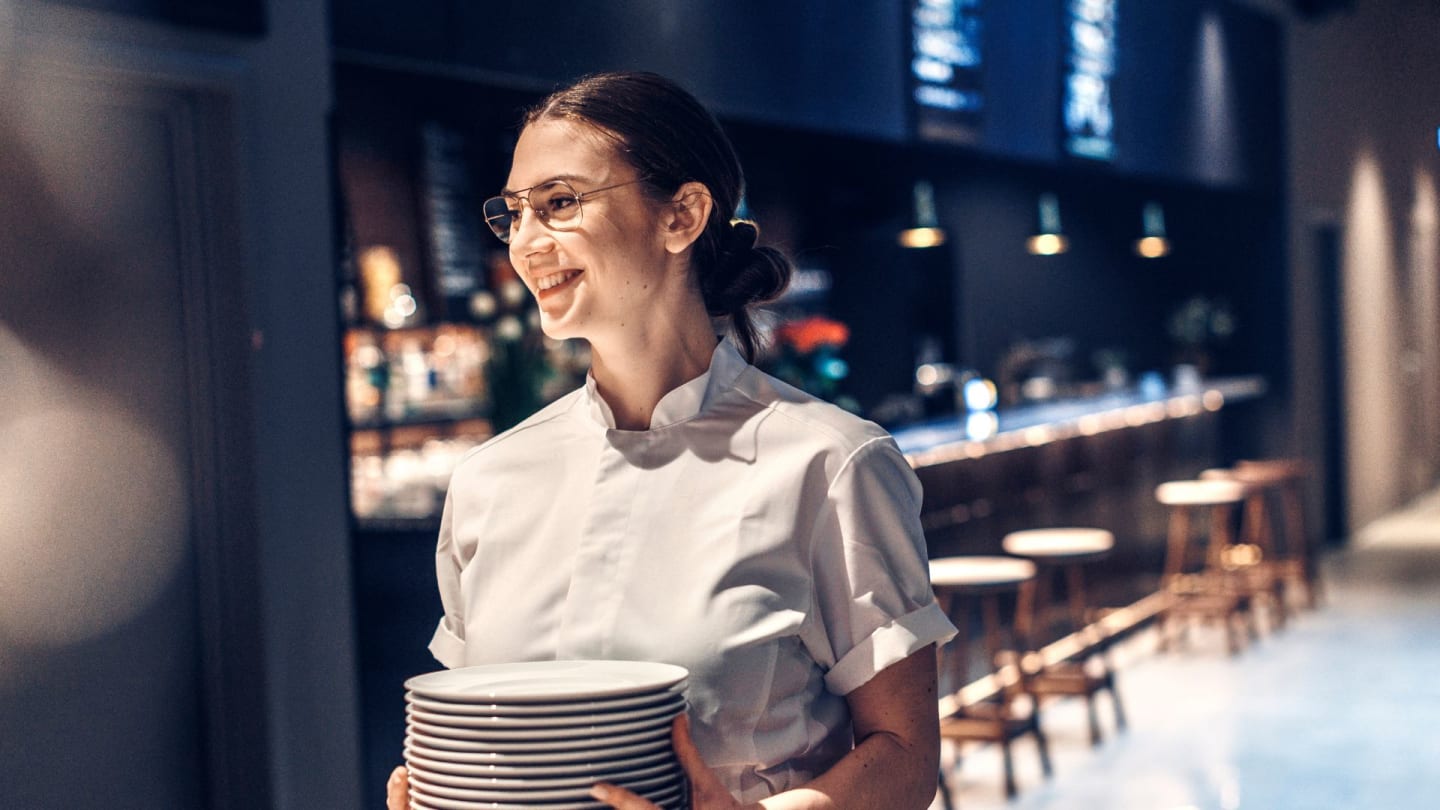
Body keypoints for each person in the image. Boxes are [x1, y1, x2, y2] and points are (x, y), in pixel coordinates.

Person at [387, 71, 956, 810]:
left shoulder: (831, 464)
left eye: (560, 203)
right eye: (513, 214)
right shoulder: (489, 479)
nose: (525, 242)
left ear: (682, 216)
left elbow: (906, 758)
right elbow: (473, 738)